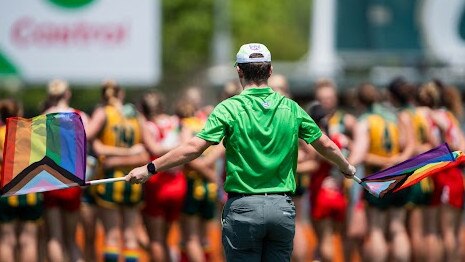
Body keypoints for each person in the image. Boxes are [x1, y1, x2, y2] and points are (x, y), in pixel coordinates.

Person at [126, 43, 356, 262]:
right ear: (270, 70)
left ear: (238, 71)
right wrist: (346, 167)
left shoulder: (229, 108)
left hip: (244, 208)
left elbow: (193, 148)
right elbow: (325, 144)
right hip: (281, 207)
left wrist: (150, 168)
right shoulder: (291, 107)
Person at [349, 83, 415, 262]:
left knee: (376, 229)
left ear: (359, 102)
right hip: (400, 175)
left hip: (377, 177)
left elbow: (360, 155)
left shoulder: (364, 121)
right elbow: (408, 145)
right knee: (398, 227)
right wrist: (395, 161)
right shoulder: (394, 116)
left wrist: (348, 159)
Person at [41, 79, 87, 262]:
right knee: (71, 239)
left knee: (54, 238)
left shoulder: (43, 116)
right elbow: (87, 146)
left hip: (50, 180)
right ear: (67, 94)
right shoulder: (79, 115)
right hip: (72, 180)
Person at [139, 91, 186, 261]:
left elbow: (154, 150)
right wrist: (176, 148)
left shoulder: (148, 126)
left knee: (156, 240)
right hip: (178, 183)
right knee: (165, 238)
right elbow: (187, 145)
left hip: (157, 183)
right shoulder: (176, 122)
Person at [0, 99, 44, 262]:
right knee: (29, 240)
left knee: (6, 240)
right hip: (29, 190)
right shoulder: (29, 133)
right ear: (18, 112)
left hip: (6, 190)